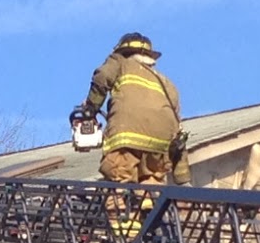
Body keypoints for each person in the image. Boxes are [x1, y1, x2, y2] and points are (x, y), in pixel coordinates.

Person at [76, 32, 192, 201]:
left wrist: (91, 108)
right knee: (152, 180)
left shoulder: (120, 62)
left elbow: (103, 77)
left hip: (128, 138)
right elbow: (177, 127)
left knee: (119, 179)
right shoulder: (167, 84)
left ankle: (121, 209)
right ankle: (149, 205)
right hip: (160, 147)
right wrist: (183, 179)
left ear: (123, 51)